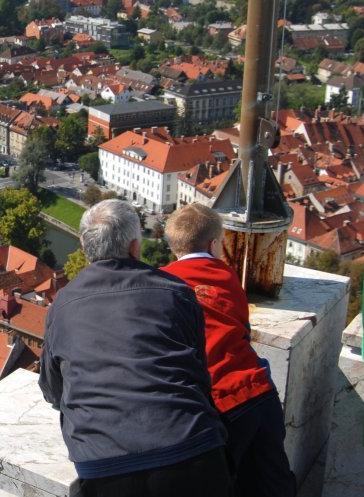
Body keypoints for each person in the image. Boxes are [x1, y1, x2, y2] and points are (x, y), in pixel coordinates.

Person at [39, 199, 231, 497]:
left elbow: (53, 391)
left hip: (105, 467)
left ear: (83, 245)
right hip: (194, 453)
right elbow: (198, 374)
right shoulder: (177, 292)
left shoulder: (61, 306)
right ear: (134, 247)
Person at [160, 203, 296, 497]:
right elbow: (242, 330)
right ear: (213, 244)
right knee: (274, 483)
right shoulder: (227, 275)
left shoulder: (161, 283)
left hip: (221, 403)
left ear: (173, 247)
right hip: (260, 392)